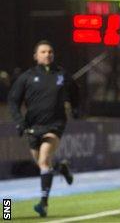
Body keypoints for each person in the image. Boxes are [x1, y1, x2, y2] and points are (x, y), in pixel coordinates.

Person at [7, 40, 78, 217]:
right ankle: (61, 167)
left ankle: (43, 204)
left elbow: (76, 92)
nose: (47, 54)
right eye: (43, 52)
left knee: (45, 159)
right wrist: (19, 122)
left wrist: (75, 108)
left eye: (50, 51)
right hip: (33, 127)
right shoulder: (27, 77)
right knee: (42, 164)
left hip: (55, 124)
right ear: (36, 56)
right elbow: (13, 101)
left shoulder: (62, 74)